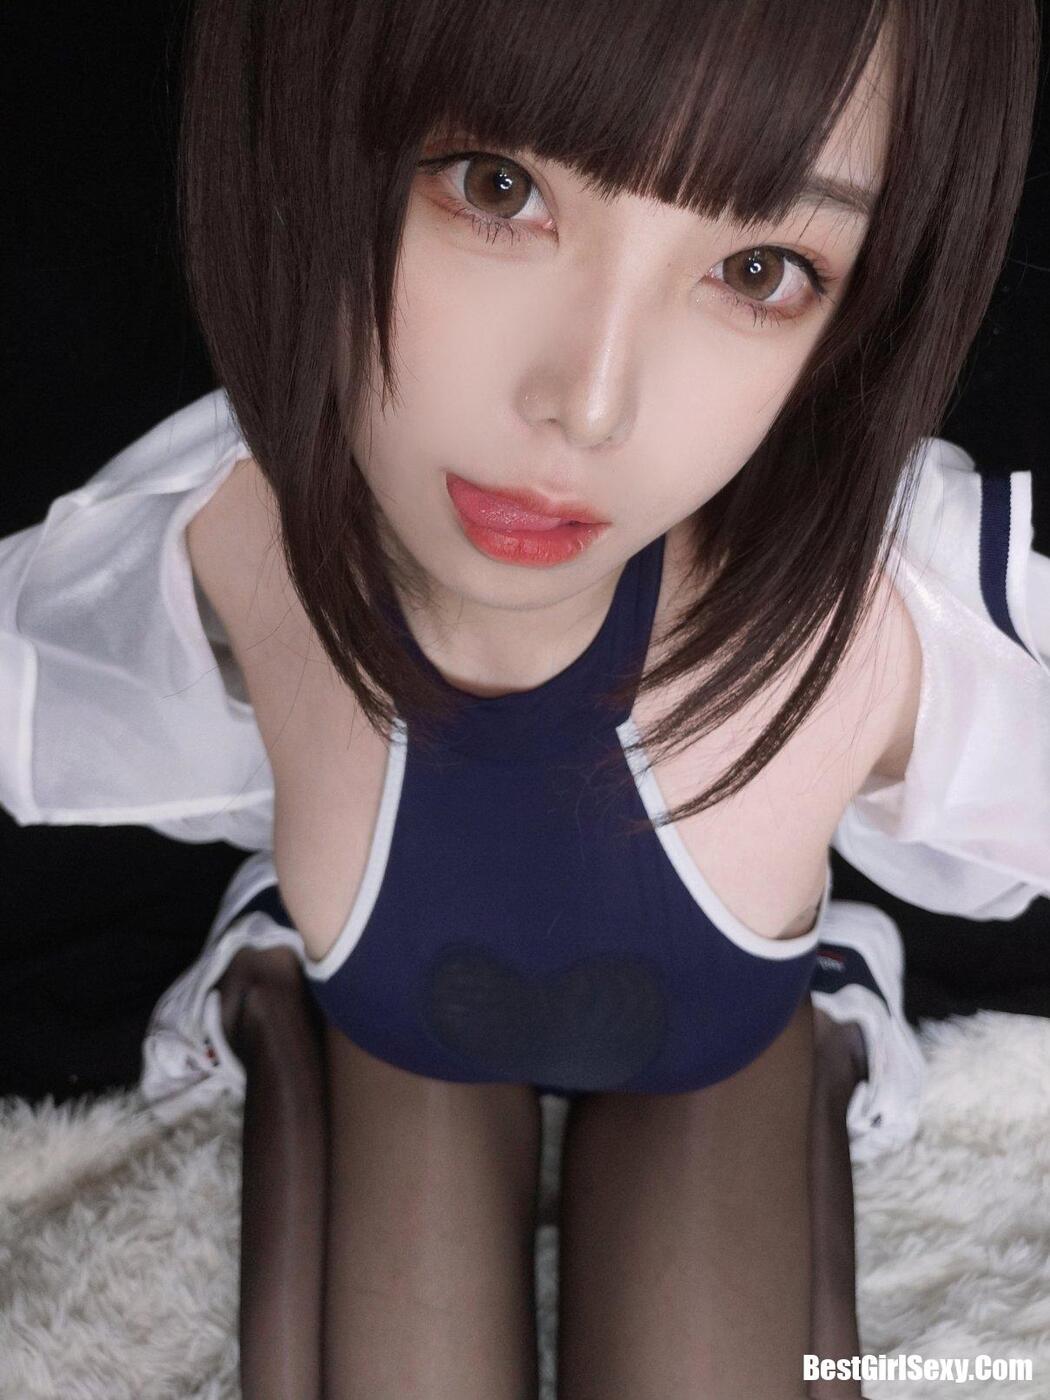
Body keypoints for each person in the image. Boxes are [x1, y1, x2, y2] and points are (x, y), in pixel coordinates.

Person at [0, 1, 1045, 1397]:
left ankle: (825, 1017)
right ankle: (275, 966)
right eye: (497, 190)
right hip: (399, 1015)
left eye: (758, 267)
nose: (587, 404)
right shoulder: (232, 538)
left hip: (711, 1037)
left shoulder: (878, 629)